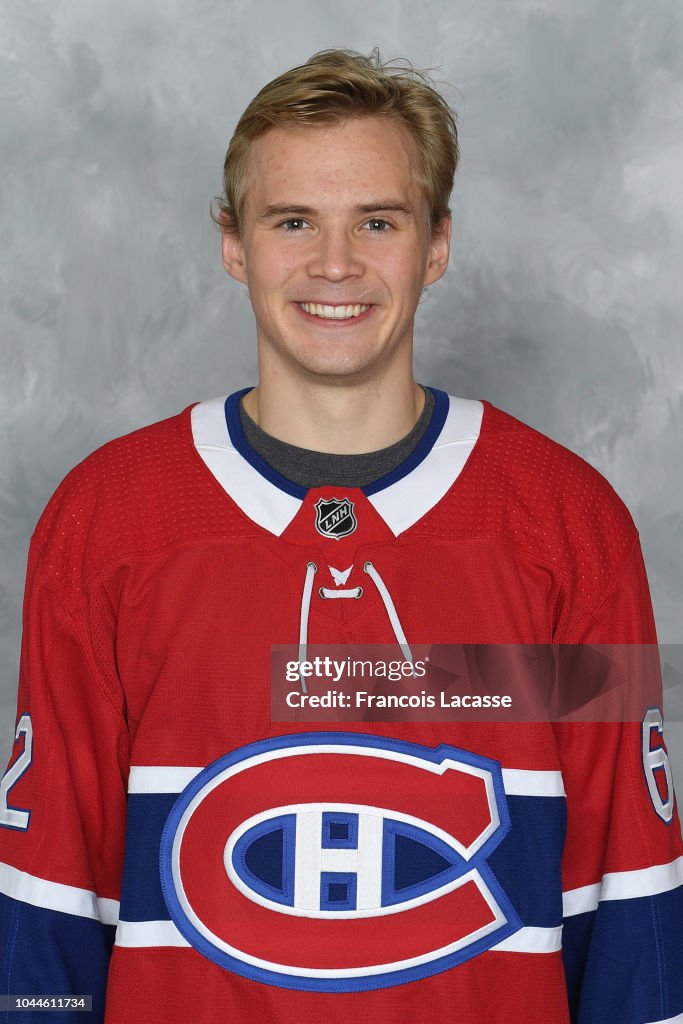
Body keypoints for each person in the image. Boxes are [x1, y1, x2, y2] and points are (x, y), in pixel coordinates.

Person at [0, 47, 681, 1024]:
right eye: (291, 222)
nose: (334, 265)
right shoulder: (109, 518)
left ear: (435, 243)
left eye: (377, 220)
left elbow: (629, 902)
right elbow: (49, 900)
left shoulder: (567, 522)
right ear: (232, 243)